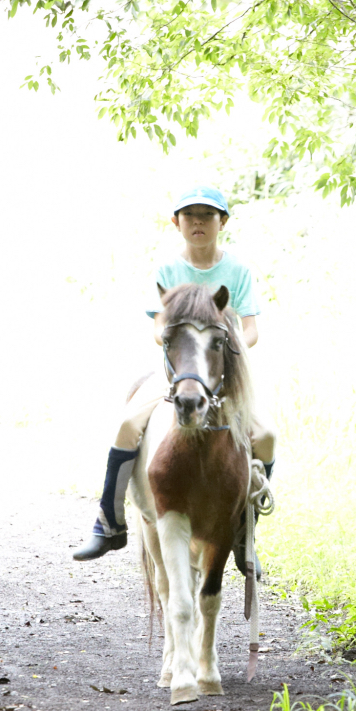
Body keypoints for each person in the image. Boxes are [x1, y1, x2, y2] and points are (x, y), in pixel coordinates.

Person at [72, 186, 275, 562]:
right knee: (128, 423)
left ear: (222, 222)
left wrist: (223, 352)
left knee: (266, 435)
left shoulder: (238, 271)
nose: (198, 222)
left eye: (208, 215)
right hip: (178, 371)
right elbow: (158, 326)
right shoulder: (168, 269)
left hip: (223, 373)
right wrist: (180, 347)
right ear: (176, 222)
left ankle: (245, 531)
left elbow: (251, 330)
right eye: (190, 215)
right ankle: (109, 523)